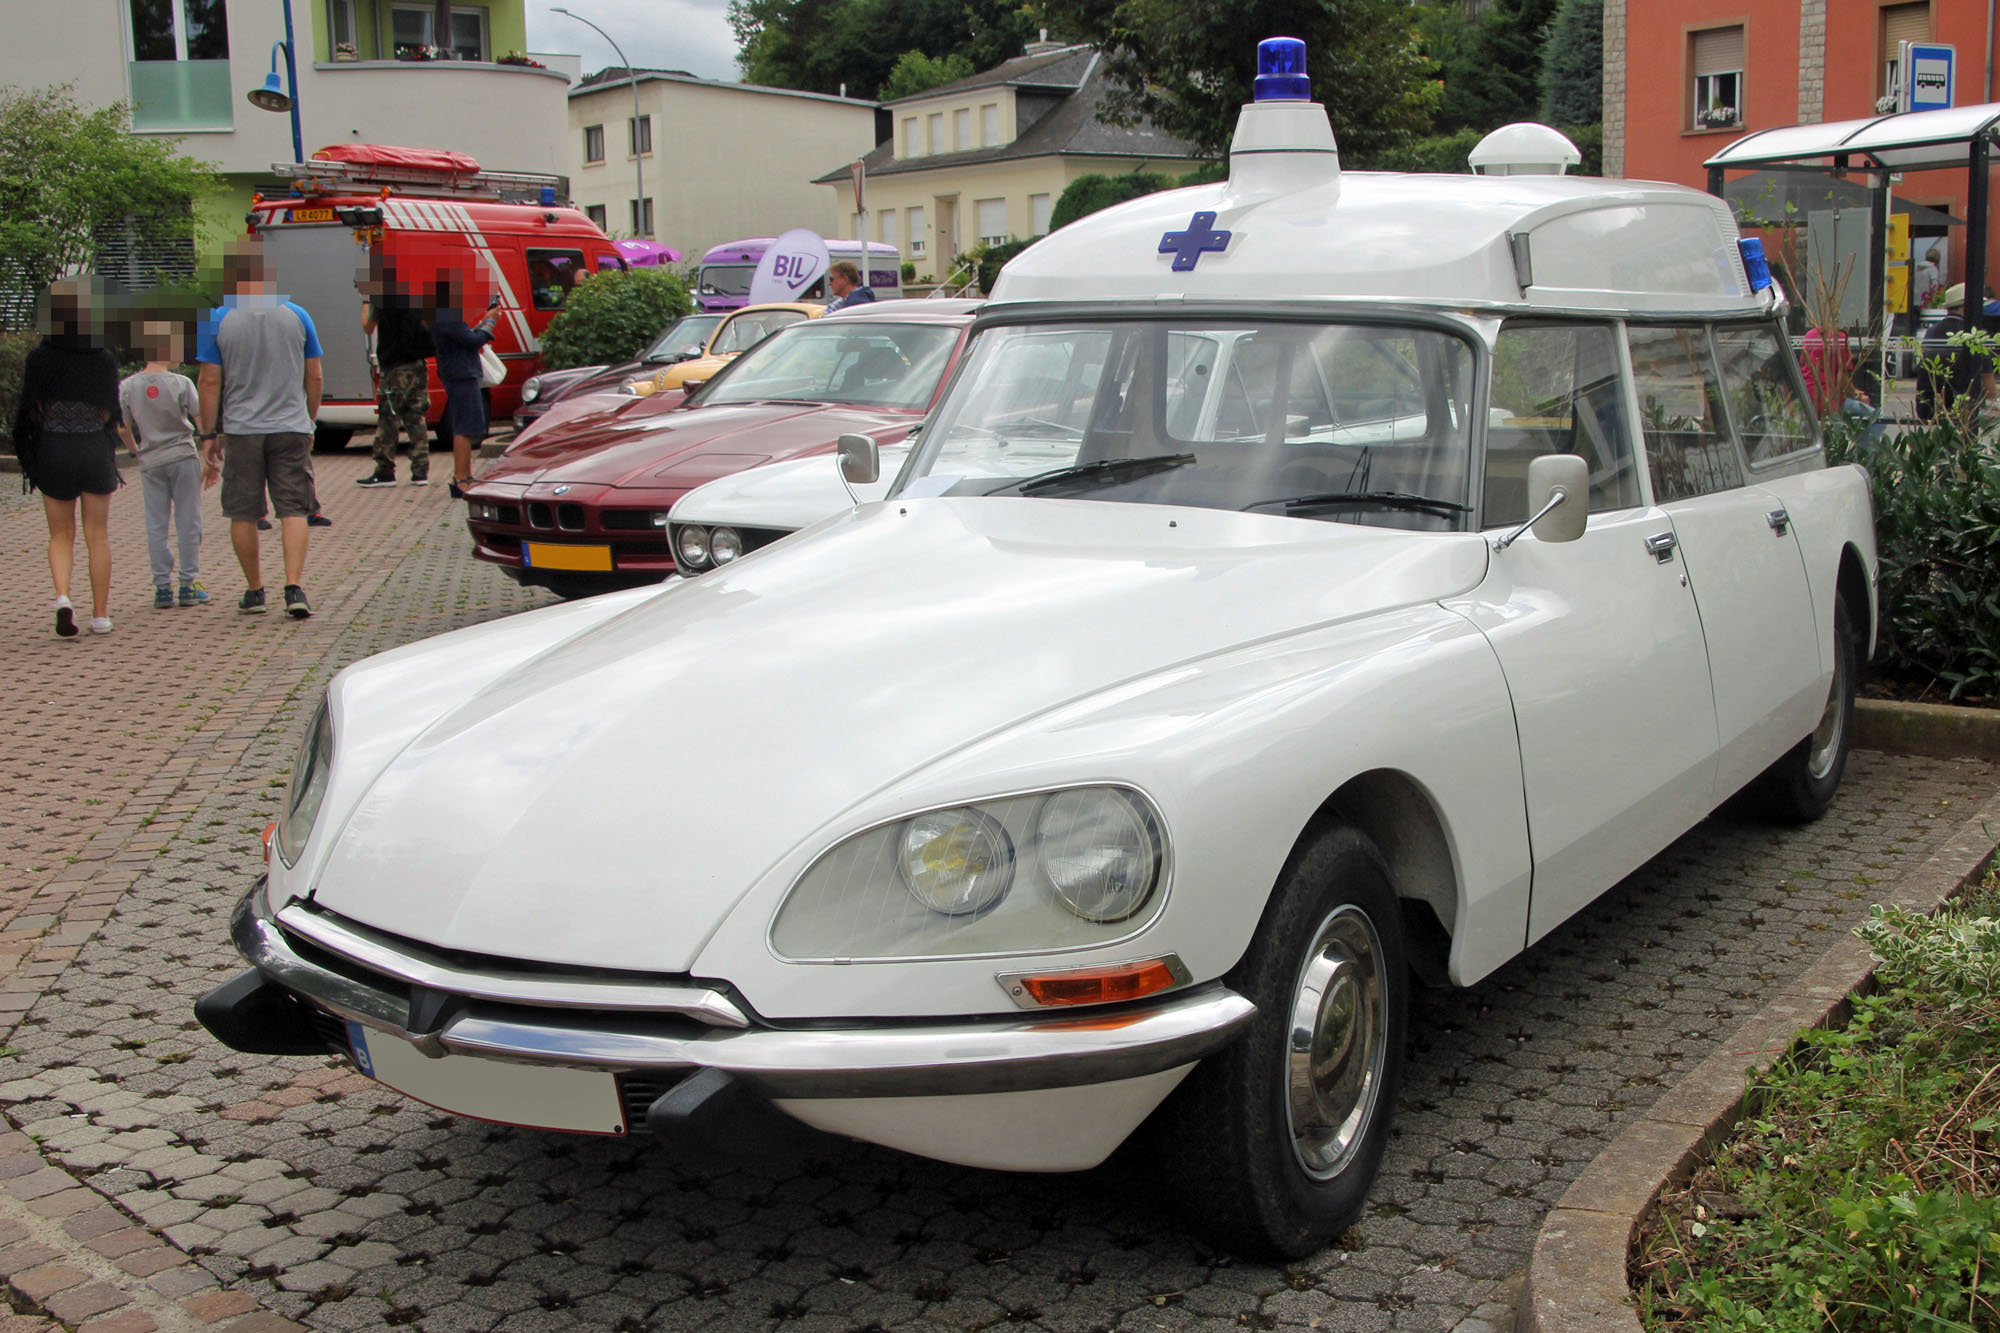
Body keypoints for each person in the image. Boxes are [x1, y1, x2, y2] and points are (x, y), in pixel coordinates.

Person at [196, 238, 324, 618]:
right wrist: (310, 420)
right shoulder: (298, 315)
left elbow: (208, 381)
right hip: (290, 426)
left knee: (243, 511)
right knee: (294, 508)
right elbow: (314, 375)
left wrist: (207, 434)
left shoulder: (218, 319)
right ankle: (295, 588)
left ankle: (254, 591)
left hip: (242, 429)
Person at [13, 279, 121, 637]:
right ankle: (101, 615)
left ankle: (62, 597)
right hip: (92, 447)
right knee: (97, 535)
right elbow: (110, 412)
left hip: (54, 447)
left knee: (60, 534)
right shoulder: (103, 358)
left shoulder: (39, 357)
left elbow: (31, 408)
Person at [117, 320, 214, 609]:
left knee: (156, 523)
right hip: (182, 456)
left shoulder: (128, 386)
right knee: (189, 520)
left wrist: (136, 451)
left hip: (150, 460)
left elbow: (122, 427)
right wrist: (207, 449)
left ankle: (162, 586)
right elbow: (199, 418)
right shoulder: (182, 383)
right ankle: (187, 584)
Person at [357, 256, 435, 487]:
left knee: (389, 418)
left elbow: (367, 325)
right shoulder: (415, 295)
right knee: (416, 417)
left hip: (395, 367)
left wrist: (365, 300)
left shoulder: (383, 299)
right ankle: (420, 471)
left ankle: (384, 471)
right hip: (418, 365)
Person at [428, 277, 498, 498]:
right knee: (463, 426)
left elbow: (465, 337)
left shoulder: (446, 317)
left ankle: (466, 475)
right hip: (460, 374)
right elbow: (472, 341)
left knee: (466, 425)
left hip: (459, 373)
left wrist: (483, 323)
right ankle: (460, 479)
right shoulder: (447, 317)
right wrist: (490, 323)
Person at [1915, 282, 1990, 423]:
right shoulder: (1975, 336)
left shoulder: (1931, 332)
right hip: (1963, 413)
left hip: (1928, 410)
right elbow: (1989, 390)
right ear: (1966, 306)